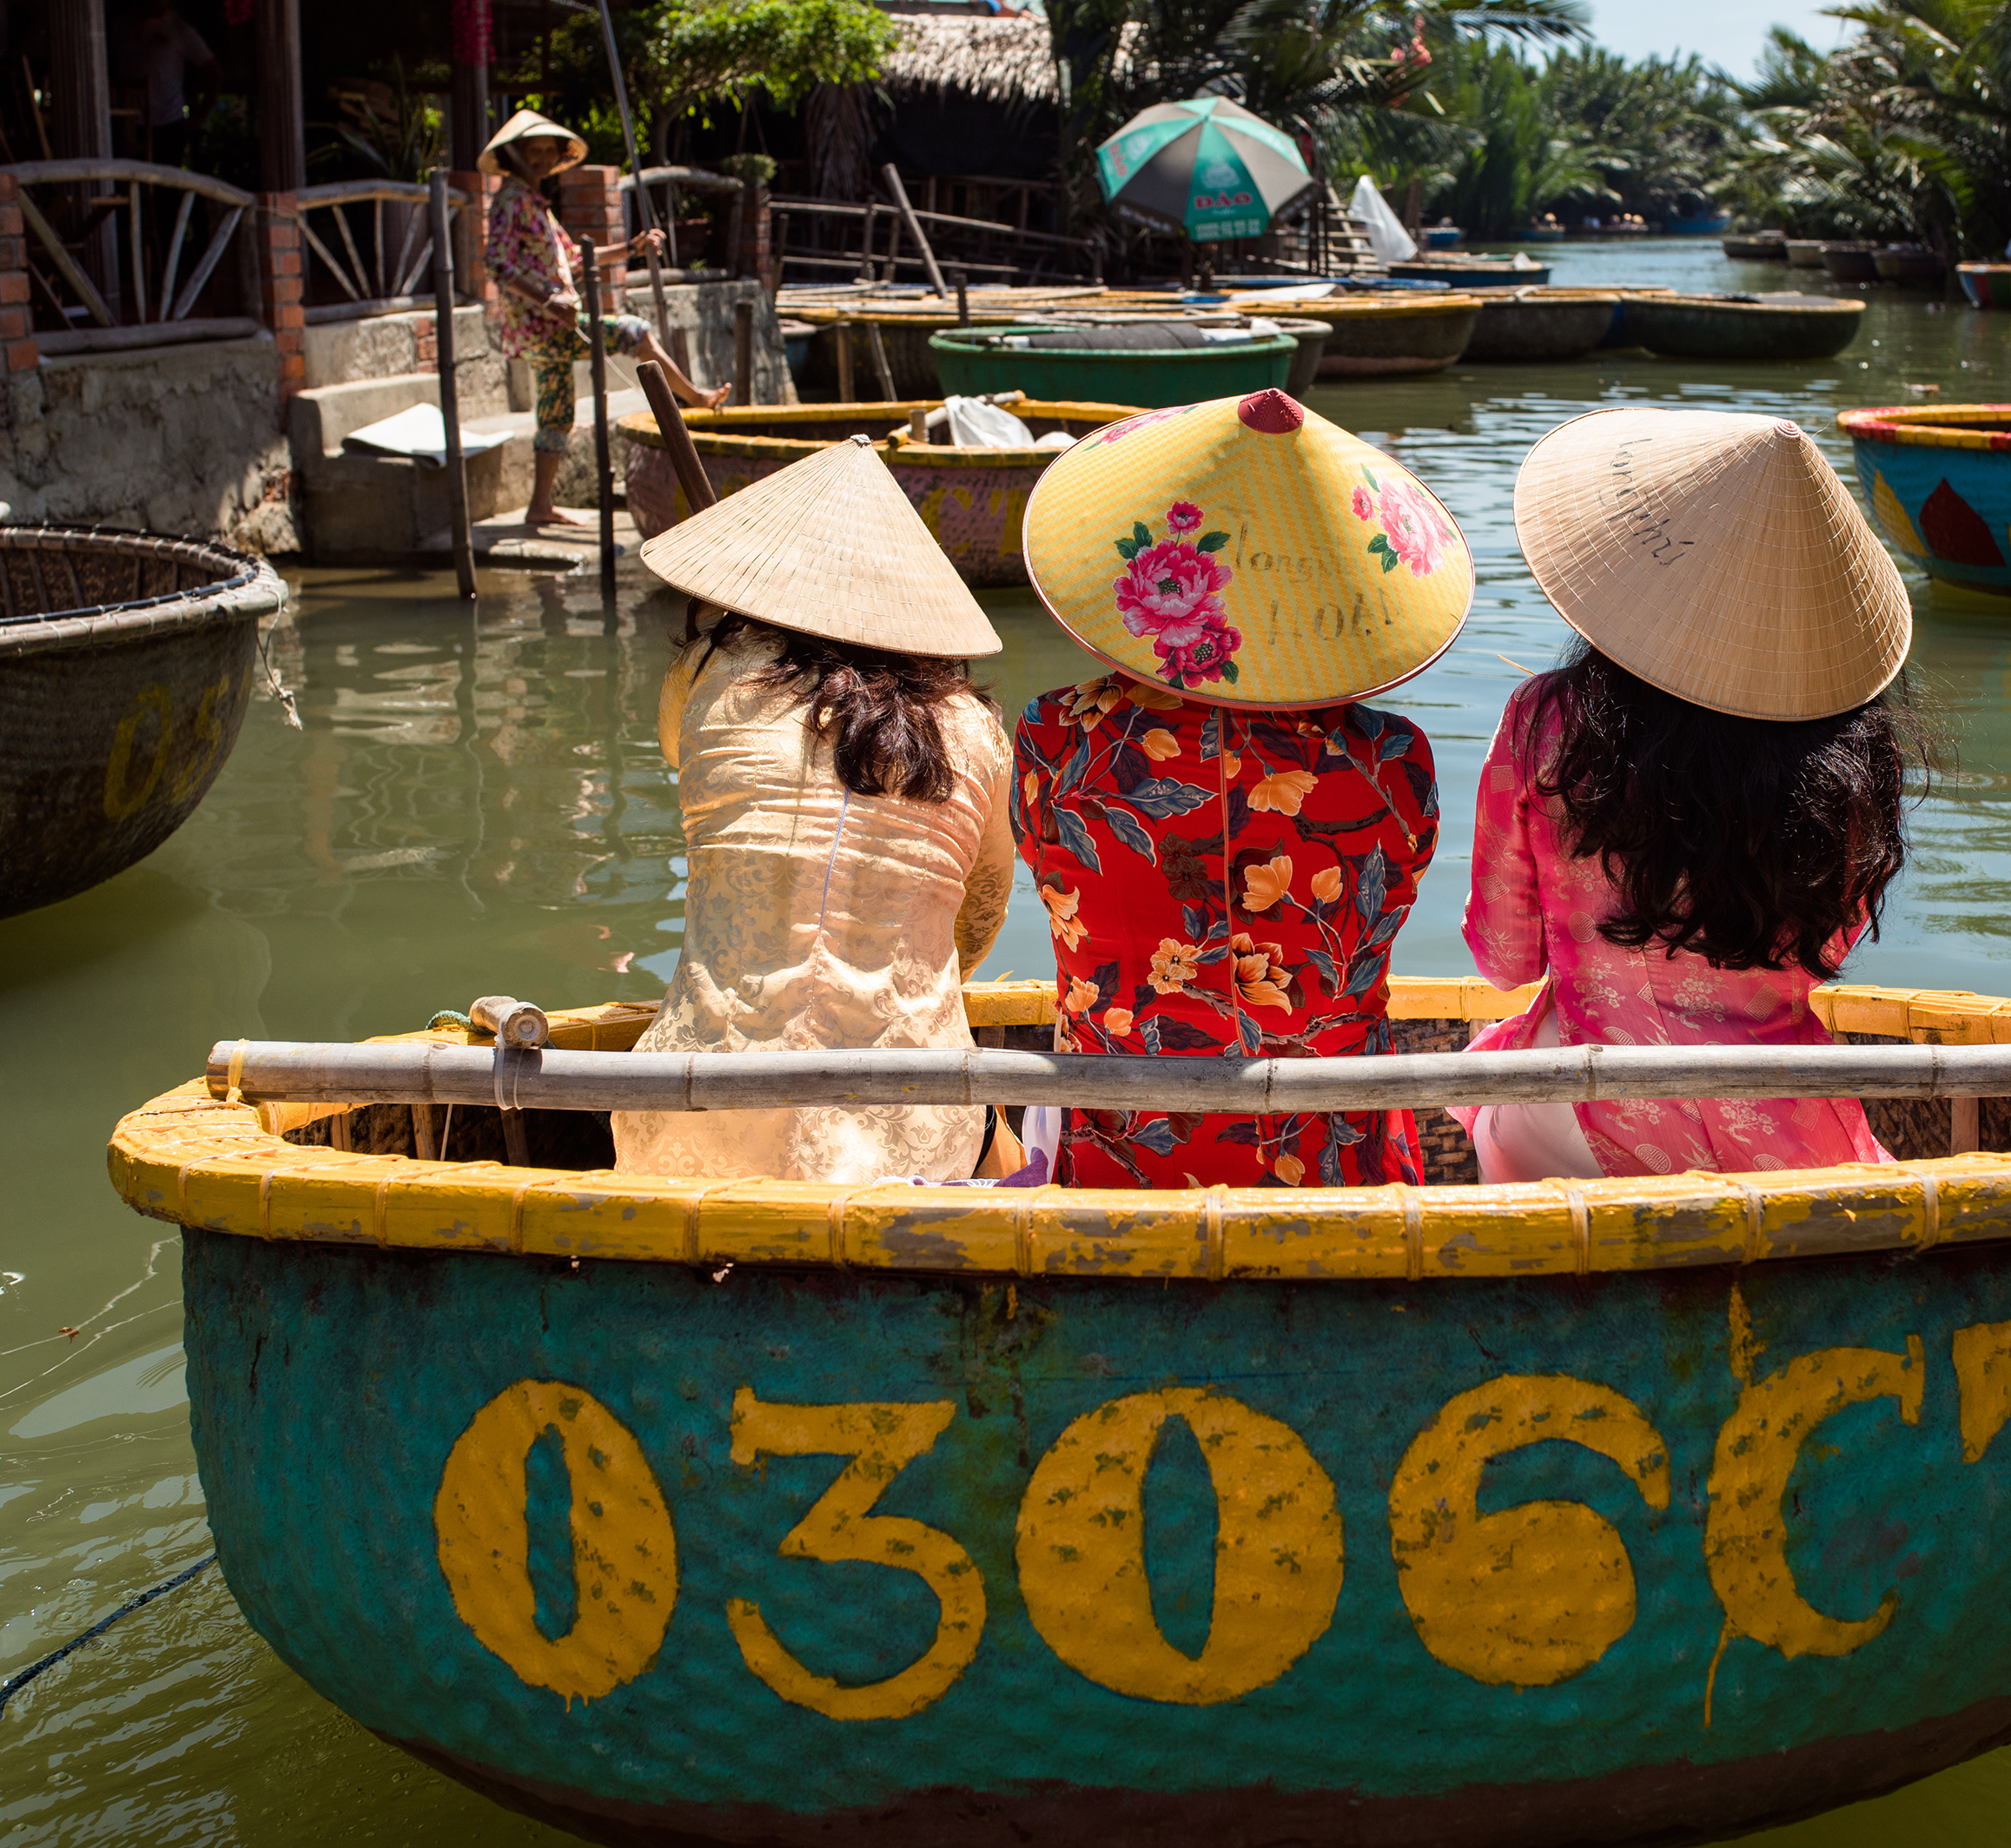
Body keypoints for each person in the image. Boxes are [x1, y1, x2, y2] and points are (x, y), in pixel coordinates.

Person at [1009, 387, 1475, 1189]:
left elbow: (1045, 869)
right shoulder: (1393, 758)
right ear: (1332, 594)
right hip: (1337, 1154)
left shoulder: (1057, 732)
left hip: (1120, 1148)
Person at [1454, 408, 1921, 1180]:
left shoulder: (1546, 722)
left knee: (1498, 1099)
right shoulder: (1854, 755)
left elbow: (1506, 960)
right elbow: (1828, 951)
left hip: (1574, 1116)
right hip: (1789, 1131)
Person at [609, 434, 1017, 1182]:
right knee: (1008, 1149)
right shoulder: (975, 730)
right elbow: (980, 915)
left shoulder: (706, 676)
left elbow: (685, 762)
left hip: (682, 1120)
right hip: (904, 1149)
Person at [475, 108, 726, 529]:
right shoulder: (511, 199)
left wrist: (631, 248)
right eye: (530, 151)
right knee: (634, 330)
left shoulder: (538, 206)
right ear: (514, 156)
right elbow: (496, 263)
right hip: (544, 325)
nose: (539, 159)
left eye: (546, 151)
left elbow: (574, 259)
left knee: (556, 413)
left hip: (554, 324)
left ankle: (540, 504)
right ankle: (693, 397)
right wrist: (545, 300)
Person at [113, 0, 215, 167]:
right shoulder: (122, 26)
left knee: (166, 187)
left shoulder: (179, 29)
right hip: (127, 120)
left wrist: (199, 117)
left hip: (168, 122)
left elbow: (213, 72)